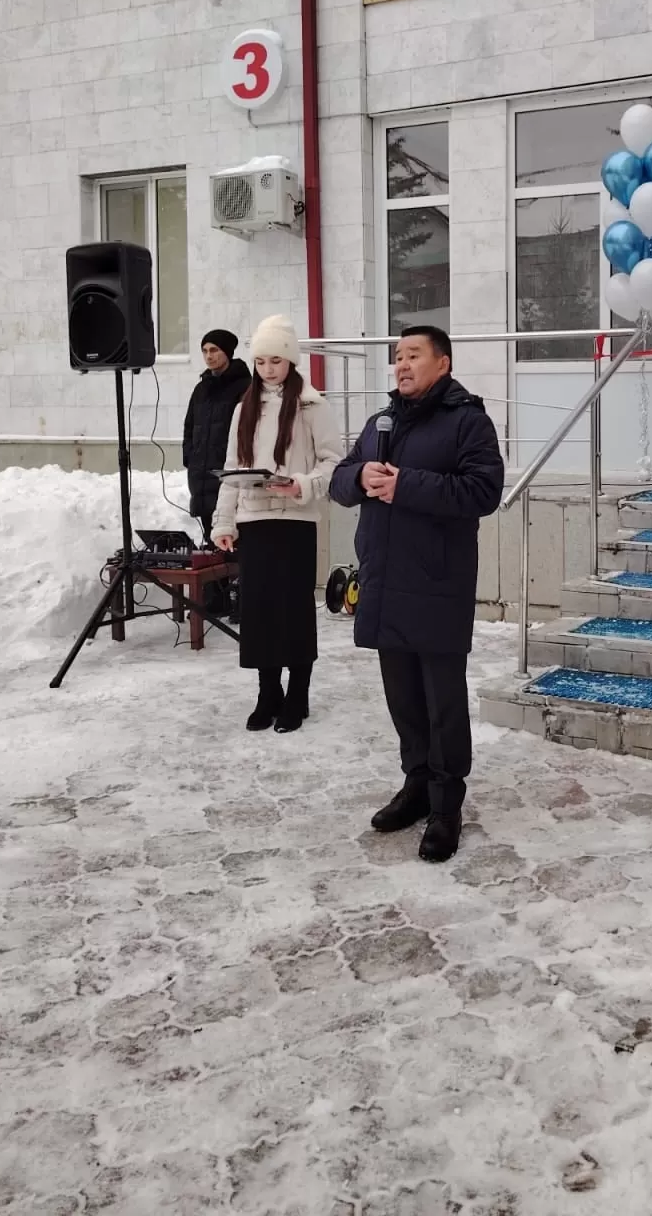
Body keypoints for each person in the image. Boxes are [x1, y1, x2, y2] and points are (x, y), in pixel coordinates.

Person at [329, 325, 504, 863]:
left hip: (437, 584)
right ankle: (417, 785)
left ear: (443, 363)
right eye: (398, 356)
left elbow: (483, 491)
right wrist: (360, 476)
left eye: (413, 355)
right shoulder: (380, 422)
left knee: (442, 703)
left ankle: (447, 805)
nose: (402, 365)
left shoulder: (467, 421)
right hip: (386, 581)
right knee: (403, 699)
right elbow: (339, 481)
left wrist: (405, 485)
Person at [212, 316, 343, 734]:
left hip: (295, 521)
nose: (268, 369)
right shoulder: (243, 408)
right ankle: (268, 693)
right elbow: (232, 467)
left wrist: (301, 484)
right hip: (255, 522)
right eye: (261, 361)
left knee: (294, 612)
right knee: (259, 613)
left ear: (291, 361)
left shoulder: (312, 406)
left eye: (276, 361)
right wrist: (224, 522)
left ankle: (298, 695)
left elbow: (333, 463)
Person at [183, 329, 250, 545]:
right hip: (202, 478)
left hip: (228, 476)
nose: (209, 356)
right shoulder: (201, 389)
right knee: (212, 543)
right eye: (204, 351)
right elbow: (189, 427)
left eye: (214, 350)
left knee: (235, 544)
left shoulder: (245, 387)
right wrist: (190, 458)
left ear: (227, 352)